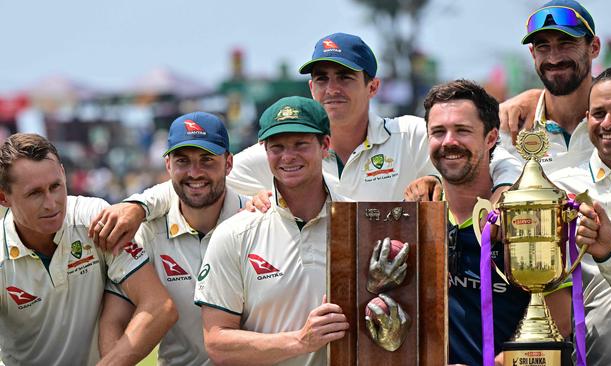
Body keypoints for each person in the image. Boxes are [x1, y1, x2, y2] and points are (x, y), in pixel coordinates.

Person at [87, 32, 523, 253]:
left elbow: (496, 153)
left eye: (344, 77)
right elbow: (201, 176)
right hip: (315, 308)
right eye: (321, 78)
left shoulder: (410, 135)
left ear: (372, 86)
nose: (331, 88)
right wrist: (138, 205)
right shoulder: (285, 153)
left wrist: (504, 190)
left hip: (397, 304)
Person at [422, 80, 570, 365]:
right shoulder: (422, 220)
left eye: (462, 131)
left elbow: (560, 323)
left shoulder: (527, 218)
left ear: (491, 138)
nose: (448, 141)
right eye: (438, 132)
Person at [194, 96, 349, 365]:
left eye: (300, 144)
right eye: (277, 147)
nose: (288, 157)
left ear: (325, 145)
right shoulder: (235, 233)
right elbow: (217, 342)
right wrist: (301, 341)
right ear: (264, 151)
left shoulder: (360, 220)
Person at [0, 133, 177, 365]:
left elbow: (160, 306)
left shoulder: (94, 218)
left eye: (56, 186)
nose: (51, 203)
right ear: (3, 197)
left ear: (63, 173)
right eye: (35, 193)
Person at [98, 112, 248, 365]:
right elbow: (115, 318)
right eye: (182, 161)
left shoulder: (254, 219)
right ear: (168, 165)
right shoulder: (147, 232)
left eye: (207, 160)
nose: (194, 172)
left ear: (229, 163)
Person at [550, 66, 611, 365]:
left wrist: (608, 252)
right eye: (598, 113)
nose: (608, 123)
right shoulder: (557, 186)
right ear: (586, 119)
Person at [498, 0, 611, 173]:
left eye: (566, 43)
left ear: (594, 47)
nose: (554, 58)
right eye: (543, 46)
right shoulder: (508, 127)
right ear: (533, 54)